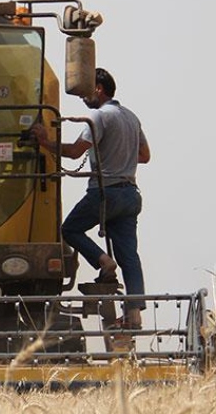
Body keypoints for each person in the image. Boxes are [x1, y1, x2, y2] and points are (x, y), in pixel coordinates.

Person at [31, 67, 151, 328]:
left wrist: (45, 142)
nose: (84, 97)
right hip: (130, 194)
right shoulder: (131, 117)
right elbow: (144, 156)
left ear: (98, 89)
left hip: (104, 192)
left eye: (87, 90)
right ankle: (134, 314)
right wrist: (121, 158)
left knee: (70, 229)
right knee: (129, 256)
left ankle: (103, 262)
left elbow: (75, 152)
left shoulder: (98, 117)